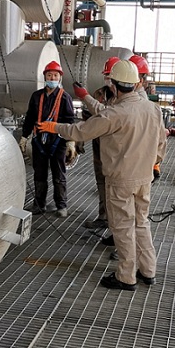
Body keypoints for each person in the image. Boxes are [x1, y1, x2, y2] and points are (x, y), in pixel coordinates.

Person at [38, 60, 166, 290]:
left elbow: (81, 131)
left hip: (121, 180)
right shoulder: (152, 109)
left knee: (122, 227)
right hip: (144, 177)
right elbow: (161, 142)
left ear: (114, 85)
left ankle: (126, 277)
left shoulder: (115, 113)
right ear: (136, 83)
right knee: (141, 223)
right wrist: (154, 163)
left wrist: (54, 127)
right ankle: (148, 271)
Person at [19, 60, 75, 218]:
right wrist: (24, 136)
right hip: (39, 142)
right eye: (49, 75)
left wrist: (70, 142)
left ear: (60, 78)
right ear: (45, 77)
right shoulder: (37, 96)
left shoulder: (65, 98)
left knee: (59, 175)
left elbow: (70, 121)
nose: (52, 78)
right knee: (39, 174)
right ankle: (39, 204)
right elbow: (30, 117)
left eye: (55, 75)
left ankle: (61, 205)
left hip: (58, 141)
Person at [79, 55, 119, 230]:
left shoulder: (124, 98)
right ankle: (103, 216)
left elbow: (108, 115)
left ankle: (116, 224)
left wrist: (86, 97)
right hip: (98, 145)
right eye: (106, 75)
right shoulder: (99, 94)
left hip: (115, 148)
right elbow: (90, 117)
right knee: (101, 181)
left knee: (115, 186)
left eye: (111, 75)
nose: (108, 79)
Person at [130, 53, 165, 180]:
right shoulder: (151, 107)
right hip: (143, 164)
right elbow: (161, 139)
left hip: (133, 165)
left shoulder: (134, 103)